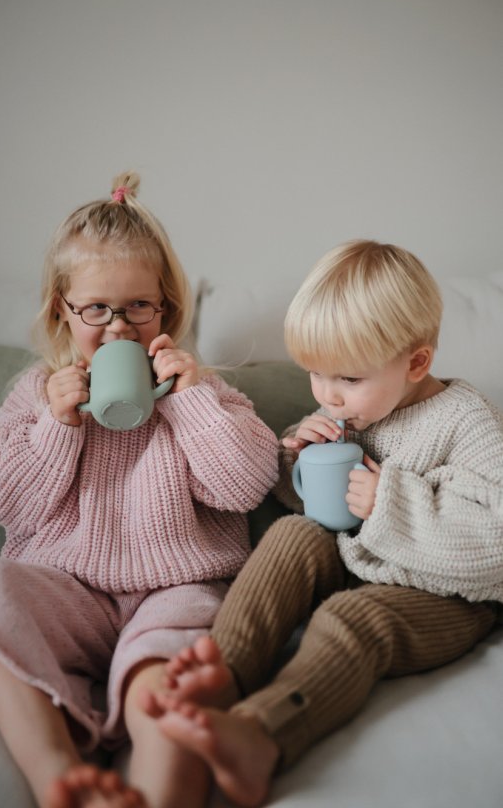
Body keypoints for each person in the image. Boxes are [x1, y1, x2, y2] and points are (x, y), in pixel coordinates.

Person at [0, 171, 279, 808]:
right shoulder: (36, 396)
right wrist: (57, 424)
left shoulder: (203, 393)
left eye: (137, 308)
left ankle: (155, 795)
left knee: (177, 668)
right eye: (96, 310)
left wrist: (192, 402)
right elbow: (2, 502)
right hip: (64, 592)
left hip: (173, 590)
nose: (118, 328)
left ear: (166, 312)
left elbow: (244, 486)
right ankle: (59, 779)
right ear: (61, 312)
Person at [141, 239, 503, 807]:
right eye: (314, 374)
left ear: (415, 362)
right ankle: (225, 671)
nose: (328, 396)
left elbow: (497, 543)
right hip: (362, 560)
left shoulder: (465, 419)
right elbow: (309, 506)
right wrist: (297, 462)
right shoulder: (348, 409)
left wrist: (391, 502)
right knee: (292, 535)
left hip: (448, 593)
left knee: (352, 617)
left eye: (347, 379)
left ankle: (261, 734)